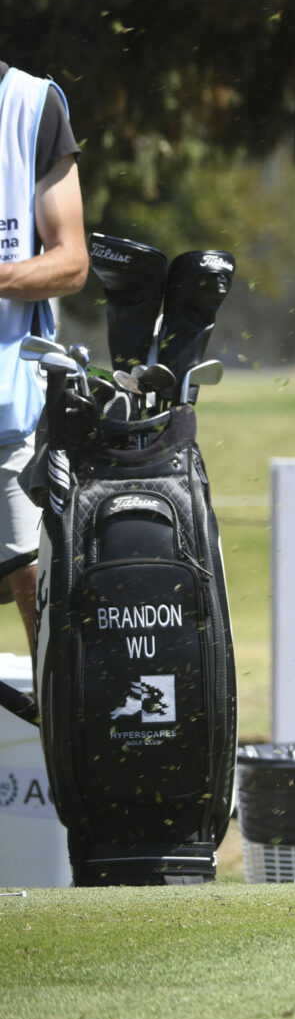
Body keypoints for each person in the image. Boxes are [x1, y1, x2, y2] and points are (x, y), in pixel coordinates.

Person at [0, 62, 87, 658]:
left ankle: (62, 749)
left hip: (9, 417)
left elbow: (71, 261)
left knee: (45, 623)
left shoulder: (31, 105)